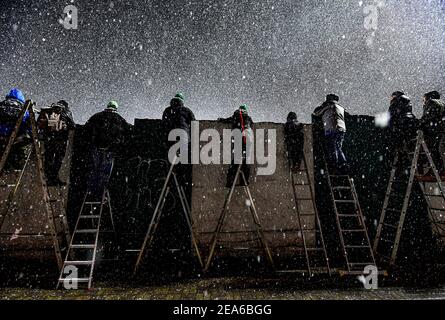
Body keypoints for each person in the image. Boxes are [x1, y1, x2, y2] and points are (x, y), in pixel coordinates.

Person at [83, 101, 131, 200]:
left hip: (96, 148)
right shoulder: (119, 119)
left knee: (94, 171)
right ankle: (100, 195)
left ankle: (90, 192)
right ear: (115, 109)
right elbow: (128, 129)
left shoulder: (96, 116)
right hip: (109, 149)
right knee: (104, 173)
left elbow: (87, 127)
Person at [37, 100, 75, 186]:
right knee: (58, 159)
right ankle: (54, 178)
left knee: (48, 157)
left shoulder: (49, 110)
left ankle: (47, 177)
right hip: (61, 139)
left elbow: (39, 123)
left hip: (49, 138)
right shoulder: (66, 111)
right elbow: (73, 125)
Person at [219, 104, 254, 188]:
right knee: (247, 160)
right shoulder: (248, 117)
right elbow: (251, 125)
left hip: (239, 138)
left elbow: (228, 120)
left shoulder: (236, 115)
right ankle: (244, 181)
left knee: (236, 160)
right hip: (248, 139)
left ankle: (230, 181)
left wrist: (220, 119)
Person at [313, 94, 348, 173]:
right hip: (342, 129)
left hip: (331, 128)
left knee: (332, 148)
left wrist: (322, 105)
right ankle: (344, 165)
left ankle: (334, 166)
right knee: (338, 148)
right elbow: (347, 113)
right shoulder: (340, 107)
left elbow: (316, 113)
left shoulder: (327, 106)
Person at [0, 88, 31, 170]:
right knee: (21, 146)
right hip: (14, 138)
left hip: (1, 137)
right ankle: (14, 167)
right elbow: (29, 125)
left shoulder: (2, 105)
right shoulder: (23, 109)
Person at [162, 93, 196, 163]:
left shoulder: (167, 110)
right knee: (184, 158)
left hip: (170, 135)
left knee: (170, 157)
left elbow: (164, 122)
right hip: (183, 136)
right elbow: (194, 123)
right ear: (182, 101)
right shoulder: (187, 110)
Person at [420, 91, 445, 175]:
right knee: (438, 151)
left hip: (436, 132)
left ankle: (437, 170)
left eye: (424, 99)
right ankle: (438, 170)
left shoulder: (431, 103)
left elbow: (428, 118)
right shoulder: (441, 103)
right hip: (441, 131)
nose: (423, 101)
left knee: (434, 150)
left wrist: (419, 124)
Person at [388, 91, 418, 157]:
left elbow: (391, 117)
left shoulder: (395, 103)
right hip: (409, 128)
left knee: (396, 149)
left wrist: (390, 128)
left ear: (395, 96)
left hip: (399, 129)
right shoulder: (407, 103)